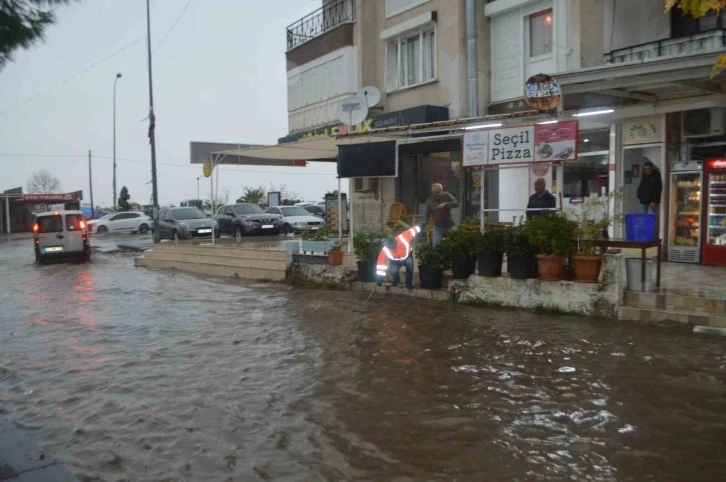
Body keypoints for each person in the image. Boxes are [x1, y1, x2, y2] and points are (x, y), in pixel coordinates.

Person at [375, 224, 424, 289]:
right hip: (394, 261)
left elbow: (412, 231)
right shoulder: (385, 249)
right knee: (393, 271)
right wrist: (379, 278)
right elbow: (381, 264)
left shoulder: (403, 238)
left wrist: (420, 226)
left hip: (407, 257)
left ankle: (408, 283)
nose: (393, 249)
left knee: (410, 267)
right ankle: (396, 281)